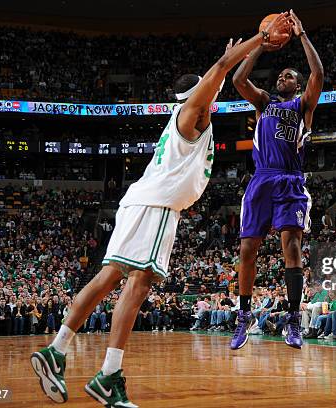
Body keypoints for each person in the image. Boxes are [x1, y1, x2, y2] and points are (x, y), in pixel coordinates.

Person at [31, 14, 291, 407]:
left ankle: (65, 352)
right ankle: (101, 371)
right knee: (137, 285)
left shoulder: (187, 115)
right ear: (199, 93)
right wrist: (259, 39)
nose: (214, 90)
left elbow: (220, 73)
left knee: (112, 277)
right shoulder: (195, 113)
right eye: (209, 88)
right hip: (156, 207)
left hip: (146, 203)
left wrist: (241, 54)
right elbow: (221, 70)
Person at [230, 9, 324, 350]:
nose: (281, 77)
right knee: (247, 250)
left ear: (296, 84)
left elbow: (319, 72)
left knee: (293, 248)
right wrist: (261, 44)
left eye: (287, 75)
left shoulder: (303, 105)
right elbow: (239, 80)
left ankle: (294, 320)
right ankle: (243, 317)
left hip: (290, 181)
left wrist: (301, 35)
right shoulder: (264, 102)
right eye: (280, 74)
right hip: (261, 180)